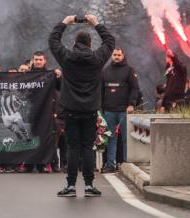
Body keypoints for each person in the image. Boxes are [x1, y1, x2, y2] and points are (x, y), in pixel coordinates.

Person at [49, 14, 114, 198]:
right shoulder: (97, 59)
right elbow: (110, 42)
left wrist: (64, 22)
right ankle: (89, 185)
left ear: (75, 43)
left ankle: (70, 186)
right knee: (87, 147)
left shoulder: (67, 58)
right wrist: (97, 24)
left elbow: (53, 40)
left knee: (72, 147)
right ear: (90, 44)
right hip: (90, 109)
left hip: (70, 109)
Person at [100, 48, 140, 173]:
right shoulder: (105, 71)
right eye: (114, 54)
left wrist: (131, 104)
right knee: (111, 138)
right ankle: (111, 164)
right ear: (112, 56)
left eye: (119, 54)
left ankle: (126, 164)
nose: (116, 56)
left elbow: (135, 89)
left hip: (124, 110)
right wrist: (100, 107)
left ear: (123, 56)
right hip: (109, 110)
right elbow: (100, 91)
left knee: (125, 138)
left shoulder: (129, 70)